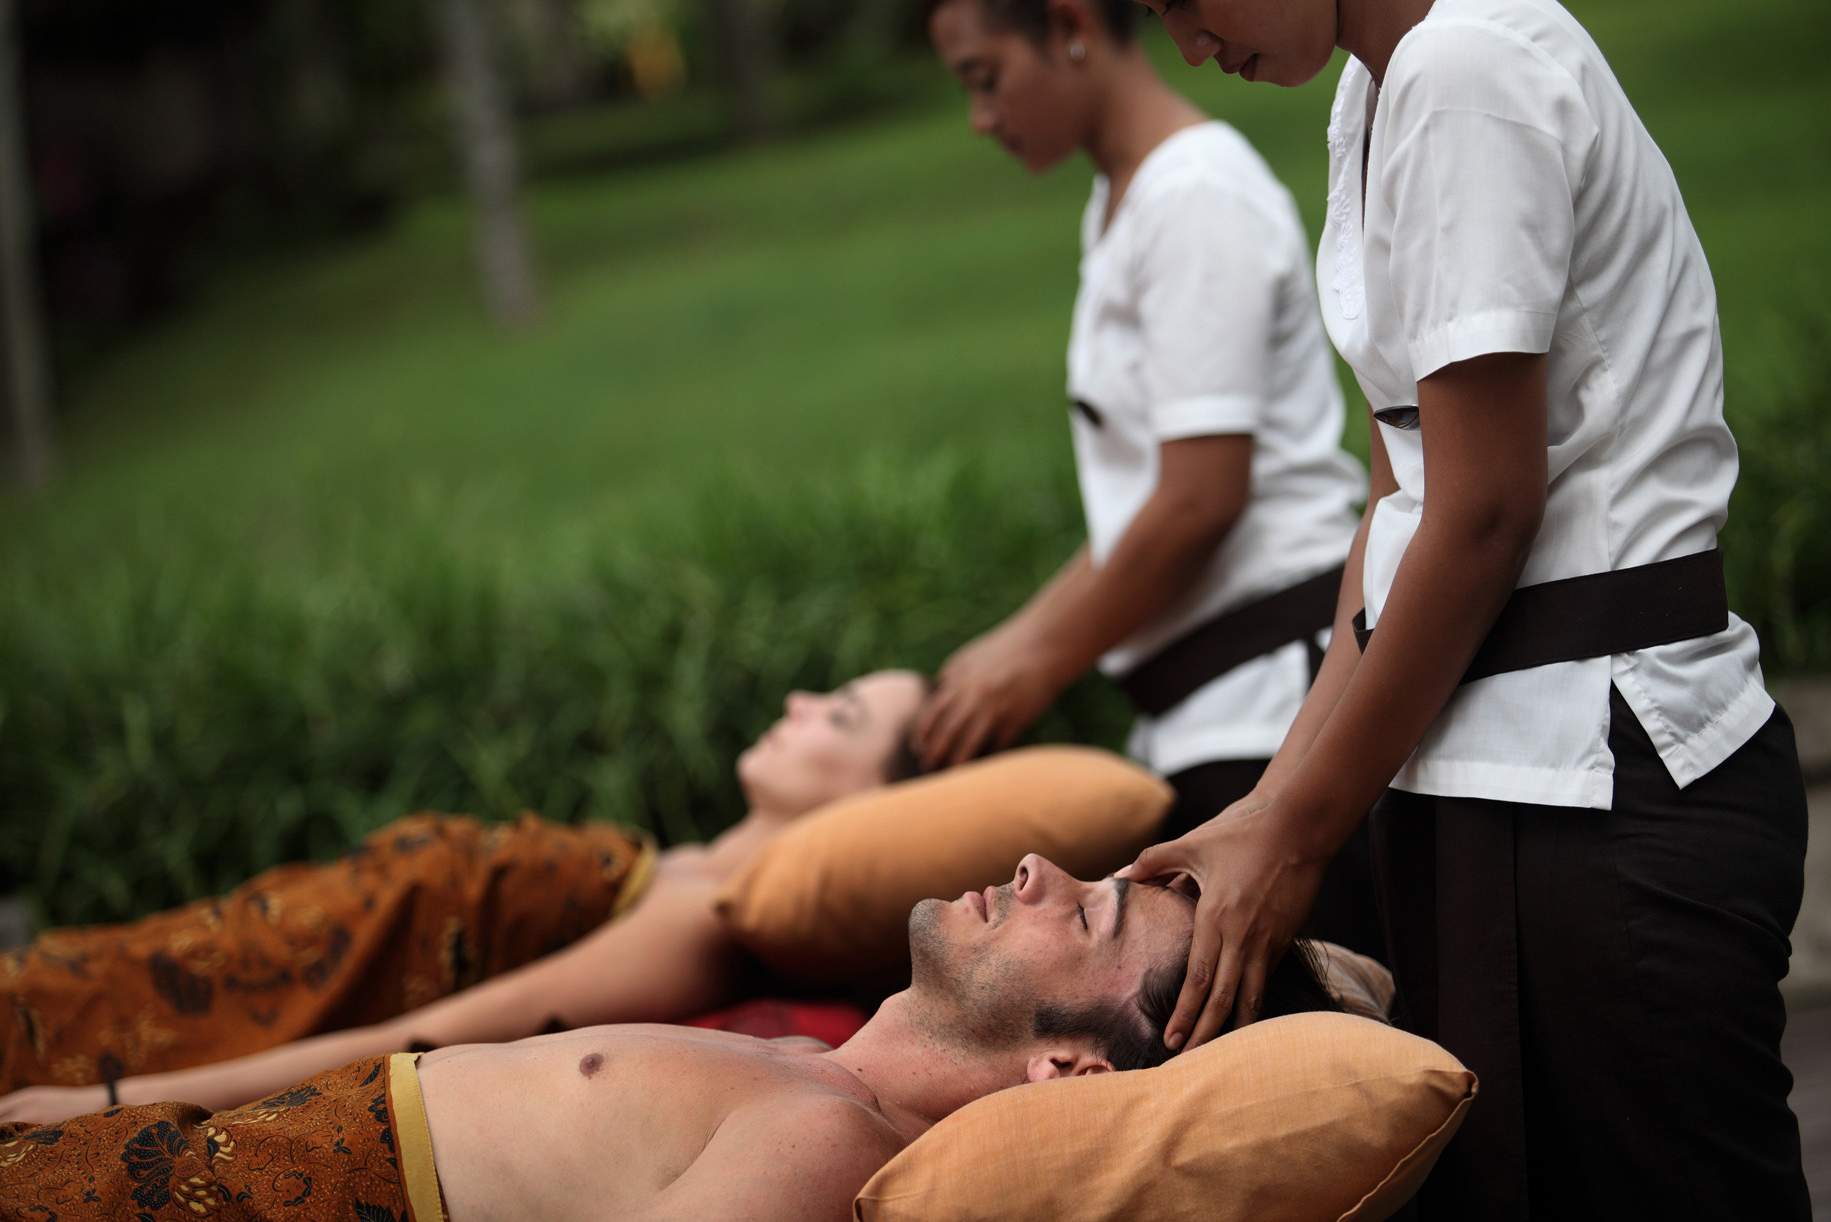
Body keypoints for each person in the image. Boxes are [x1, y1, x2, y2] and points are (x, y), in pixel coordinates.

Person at [1122, 0, 1812, 1216]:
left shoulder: (1466, 65)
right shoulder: (1376, 91)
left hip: (1608, 765)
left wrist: (1298, 834)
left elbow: (1484, 511)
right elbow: (1401, 504)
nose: (1184, 42)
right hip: (1490, 777)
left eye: (1181, 0)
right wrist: (1274, 804)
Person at [0, 854, 1340, 1219]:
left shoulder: (826, 1145)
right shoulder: (806, 1072)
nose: (1043, 864)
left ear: (1067, 1066)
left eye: (1093, 915)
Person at [920, 0, 1382, 959]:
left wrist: (1035, 657)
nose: (978, 117)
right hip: (1204, 710)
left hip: (1268, 708)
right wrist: (1019, 641)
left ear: (1071, 25)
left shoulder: (1193, 195)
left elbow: (1199, 498)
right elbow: (1150, 499)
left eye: (985, 77)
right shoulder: (1126, 198)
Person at [0, 670, 930, 1121]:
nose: (802, 699)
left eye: (839, 717)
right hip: (180, 962)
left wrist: (114, 1101)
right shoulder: (682, 864)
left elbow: (417, 1043)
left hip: (177, 1036)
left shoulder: (695, 922)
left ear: (880, 810)